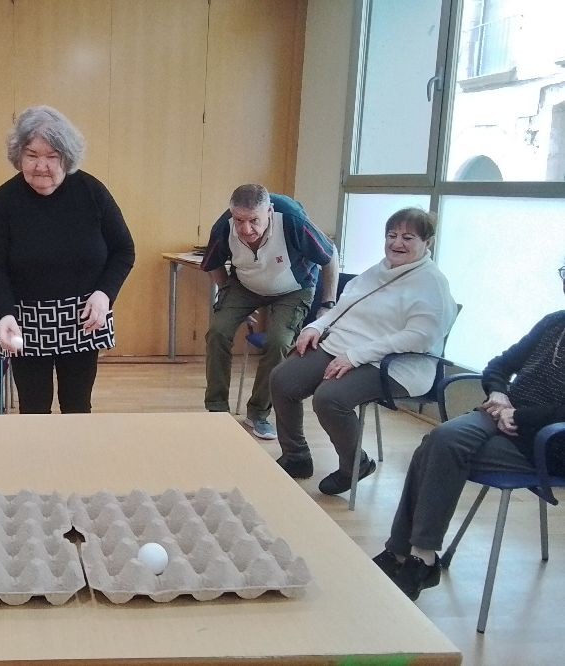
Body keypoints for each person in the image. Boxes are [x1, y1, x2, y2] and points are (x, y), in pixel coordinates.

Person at [373, 282, 565, 600]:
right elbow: (499, 365)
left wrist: (518, 416)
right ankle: (419, 557)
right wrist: (499, 393)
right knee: (441, 439)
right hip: (502, 413)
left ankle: (406, 554)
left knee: (436, 448)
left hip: (548, 443)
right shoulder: (555, 321)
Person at [270, 207, 457, 496]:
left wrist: (356, 356)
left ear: (427, 242)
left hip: (394, 364)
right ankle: (296, 456)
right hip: (343, 347)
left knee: (329, 398)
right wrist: (316, 327)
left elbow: (419, 338)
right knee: (283, 379)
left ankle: (355, 465)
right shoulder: (380, 269)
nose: (397, 243)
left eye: (408, 237)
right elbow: (343, 305)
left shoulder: (431, 283)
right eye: (392, 235)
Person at [0, 105, 135, 414]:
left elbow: (123, 250)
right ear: (18, 155)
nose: (41, 166)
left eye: (52, 156)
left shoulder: (92, 192)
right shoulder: (2, 202)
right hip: (24, 321)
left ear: (67, 156)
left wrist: (104, 294)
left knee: (77, 406)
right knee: (33, 408)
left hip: (83, 319)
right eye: (31, 155)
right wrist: (4, 313)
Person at [201, 184, 339, 440]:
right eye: (239, 220)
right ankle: (216, 408)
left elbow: (330, 256)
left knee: (278, 342)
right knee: (218, 332)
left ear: (269, 212)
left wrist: (328, 304)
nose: (245, 229)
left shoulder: (293, 220)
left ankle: (258, 413)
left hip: (293, 288)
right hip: (245, 285)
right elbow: (212, 263)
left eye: (254, 220)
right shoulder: (224, 226)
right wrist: (228, 294)